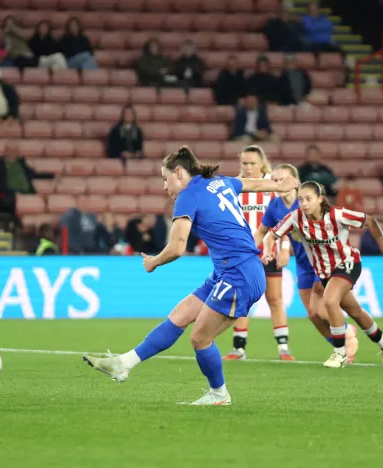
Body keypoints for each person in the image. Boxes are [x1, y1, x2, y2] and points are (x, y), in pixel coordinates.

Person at [83, 147, 298, 405]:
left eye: (165, 179)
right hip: (230, 270)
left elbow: (177, 247)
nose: (165, 187)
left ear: (179, 172)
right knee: (180, 315)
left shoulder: (188, 196)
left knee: (200, 338)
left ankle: (219, 395)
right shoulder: (219, 182)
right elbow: (254, 184)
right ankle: (123, 363)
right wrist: (285, 184)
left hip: (238, 273)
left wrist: (154, 262)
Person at [263, 181, 383, 368]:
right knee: (355, 311)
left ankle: (339, 353)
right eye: (301, 199)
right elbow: (271, 234)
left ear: (320, 198)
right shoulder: (295, 218)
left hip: (348, 263)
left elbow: (370, 221)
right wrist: (268, 250)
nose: (304, 203)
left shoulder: (338, 215)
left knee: (330, 300)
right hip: (324, 272)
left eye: (309, 199)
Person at [262, 164, 360, 363]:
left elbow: (297, 227)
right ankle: (339, 348)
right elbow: (265, 231)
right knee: (313, 315)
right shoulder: (274, 206)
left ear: (295, 181)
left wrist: (283, 248)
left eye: (282, 179)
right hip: (302, 264)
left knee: (321, 302)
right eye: (275, 180)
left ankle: (348, 332)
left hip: (323, 260)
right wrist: (257, 248)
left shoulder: (306, 203)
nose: (277, 183)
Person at [223, 146, 292, 361]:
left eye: (252, 163)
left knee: (274, 298)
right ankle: (239, 349)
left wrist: (284, 248)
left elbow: (286, 219)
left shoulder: (274, 185)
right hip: (243, 254)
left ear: (262, 163)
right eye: (244, 163)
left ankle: (283, 349)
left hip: (270, 251)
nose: (248, 167)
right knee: (242, 298)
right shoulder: (233, 186)